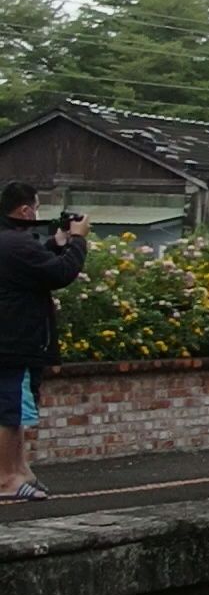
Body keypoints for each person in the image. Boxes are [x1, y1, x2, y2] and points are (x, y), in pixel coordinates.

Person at [0, 182, 90, 502]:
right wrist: (78, 240)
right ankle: (6, 479)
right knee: (8, 412)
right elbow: (60, 273)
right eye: (36, 208)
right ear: (25, 210)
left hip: (14, 341)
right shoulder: (15, 243)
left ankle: (19, 471)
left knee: (16, 411)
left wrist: (57, 242)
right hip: (13, 341)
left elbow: (33, 264)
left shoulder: (10, 242)